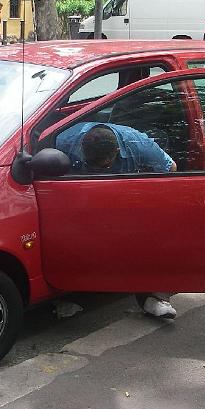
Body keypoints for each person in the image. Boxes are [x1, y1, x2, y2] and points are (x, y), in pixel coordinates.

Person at [55, 122, 178, 319]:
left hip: (126, 201)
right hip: (81, 202)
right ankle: (74, 294)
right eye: (93, 166)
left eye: (105, 166)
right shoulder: (63, 141)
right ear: (82, 149)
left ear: (117, 151)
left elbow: (170, 168)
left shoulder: (137, 142)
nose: (100, 171)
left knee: (150, 242)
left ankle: (154, 297)